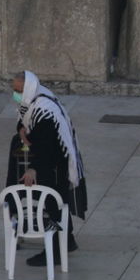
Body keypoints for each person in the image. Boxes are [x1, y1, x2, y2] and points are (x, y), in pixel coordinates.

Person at [8, 70, 88, 266]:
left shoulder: (45, 111)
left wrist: (33, 169)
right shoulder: (34, 99)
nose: (16, 94)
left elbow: (46, 146)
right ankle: (66, 241)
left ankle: (55, 250)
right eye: (15, 90)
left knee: (52, 201)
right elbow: (24, 117)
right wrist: (21, 129)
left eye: (18, 90)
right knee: (55, 201)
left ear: (27, 89)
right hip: (49, 157)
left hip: (55, 163)